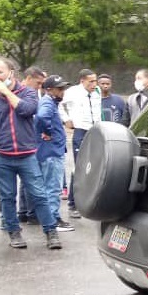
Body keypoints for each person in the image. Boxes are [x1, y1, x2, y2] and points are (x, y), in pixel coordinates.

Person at [0, 57, 62, 249]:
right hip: (1, 157)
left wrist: (6, 92)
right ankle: (14, 233)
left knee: (39, 194)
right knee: (7, 197)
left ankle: (51, 232)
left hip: (27, 155)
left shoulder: (28, 92)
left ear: (11, 73)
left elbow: (27, 110)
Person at [59, 69, 101, 219]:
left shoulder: (96, 93)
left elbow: (97, 112)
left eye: (95, 80)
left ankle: (90, 202)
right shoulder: (72, 92)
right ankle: (72, 204)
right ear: (82, 80)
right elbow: (59, 105)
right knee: (79, 168)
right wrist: (66, 119)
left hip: (94, 130)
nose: (94, 84)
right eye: (91, 81)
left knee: (94, 168)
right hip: (80, 131)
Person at [36, 75, 74, 232]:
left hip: (50, 151)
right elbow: (42, 117)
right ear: (49, 89)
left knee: (48, 186)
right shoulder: (47, 102)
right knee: (53, 187)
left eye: (63, 88)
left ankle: (48, 217)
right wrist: (47, 131)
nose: (62, 91)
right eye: (59, 89)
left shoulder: (50, 102)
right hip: (51, 152)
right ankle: (53, 219)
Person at [17, 65, 47, 224]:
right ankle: (32, 213)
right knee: (32, 178)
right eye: (38, 82)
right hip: (26, 140)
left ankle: (23, 212)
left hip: (27, 139)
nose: (39, 86)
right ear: (28, 79)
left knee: (25, 179)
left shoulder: (25, 92)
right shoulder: (24, 93)